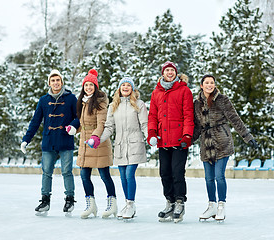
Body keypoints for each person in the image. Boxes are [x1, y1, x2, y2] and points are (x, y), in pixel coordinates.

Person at [192, 74, 259, 222]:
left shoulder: (222, 100)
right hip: (206, 144)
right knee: (208, 178)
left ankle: (221, 205)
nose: (210, 85)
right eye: (207, 83)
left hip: (222, 141)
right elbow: (197, 126)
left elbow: (235, 119)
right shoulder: (196, 103)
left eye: (212, 83)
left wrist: (248, 137)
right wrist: (188, 141)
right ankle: (212, 206)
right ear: (201, 85)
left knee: (219, 176)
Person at [20, 69, 80, 216]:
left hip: (65, 140)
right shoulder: (44, 100)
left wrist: (73, 125)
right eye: (52, 80)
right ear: (49, 83)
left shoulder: (71, 98)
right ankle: (45, 201)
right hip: (48, 141)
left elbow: (79, 116)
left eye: (57, 80)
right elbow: (35, 122)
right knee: (46, 172)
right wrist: (26, 140)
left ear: (62, 82)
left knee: (67, 171)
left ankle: (69, 200)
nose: (55, 83)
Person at [147, 61, 194, 223]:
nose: (169, 73)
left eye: (172, 70)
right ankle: (170, 201)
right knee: (164, 173)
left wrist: (187, 135)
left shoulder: (184, 90)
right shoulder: (156, 92)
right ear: (163, 73)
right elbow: (152, 115)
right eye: (167, 70)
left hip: (179, 140)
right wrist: (152, 132)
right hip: (163, 140)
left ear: (176, 73)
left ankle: (180, 201)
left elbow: (188, 115)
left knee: (177, 172)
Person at [100, 76, 148, 220]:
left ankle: (131, 204)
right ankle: (127, 204)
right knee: (122, 176)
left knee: (129, 174)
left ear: (132, 89)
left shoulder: (139, 104)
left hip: (135, 144)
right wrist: (99, 139)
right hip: (120, 145)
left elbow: (145, 124)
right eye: (123, 85)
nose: (125, 87)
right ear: (119, 89)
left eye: (128, 85)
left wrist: (150, 137)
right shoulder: (114, 106)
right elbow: (109, 127)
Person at [75, 69, 117, 219]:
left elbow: (101, 124)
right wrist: (74, 128)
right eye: (86, 85)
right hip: (85, 144)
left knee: (104, 175)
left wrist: (94, 137)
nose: (88, 88)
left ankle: (112, 203)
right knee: (84, 175)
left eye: (91, 85)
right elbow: (82, 122)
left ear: (95, 86)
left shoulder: (100, 102)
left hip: (98, 143)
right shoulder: (83, 102)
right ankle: (90, 203)